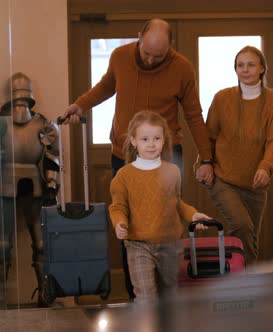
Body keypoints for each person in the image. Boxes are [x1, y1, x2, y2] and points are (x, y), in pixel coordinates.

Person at [61, 18, 214, 299]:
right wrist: (79, 105)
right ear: (139, 36)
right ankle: (138, 297)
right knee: (128, 224)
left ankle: (168, 294)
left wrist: (207, 158)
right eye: (147, 52)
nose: (152, 60)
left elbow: (193, 114)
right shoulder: (120, 56)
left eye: (160, 55)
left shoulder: (182, 68)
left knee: (166, 222)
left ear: (171, 47)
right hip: (125, 155)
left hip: (166, 157)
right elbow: (106, 86)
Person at [0, 72, 60, 308]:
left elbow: (52, 157)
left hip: (35, 186)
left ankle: (44, 291)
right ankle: (1, 294)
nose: (20, 106)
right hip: (5, 184)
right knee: (1, 246)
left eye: (24, 101)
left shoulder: (44, 125)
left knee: (41, 245)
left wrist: (51, 184)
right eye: (17, 100)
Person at [196, 46, 273, 265]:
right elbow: (208, 137)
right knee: (242, 226)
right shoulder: (222, 98)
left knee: (249, 236)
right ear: (235, 69)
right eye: (240, 65)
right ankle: (243, 284)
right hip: (223, 178)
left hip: (256, 183)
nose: (245, 70)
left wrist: (266, 167)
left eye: (251, 64)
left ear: (262, 68)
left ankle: (243, 280)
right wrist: (204, 163)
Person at [109, 111, 210, 303]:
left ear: (164, 141)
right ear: (133, 140)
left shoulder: (172, 171)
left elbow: (176, 202)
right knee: (146, 298)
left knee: (170, 298)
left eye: (157, 138)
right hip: (138, 245)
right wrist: (119, 223)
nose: (151, 144)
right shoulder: (124, 175)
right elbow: (117, 207)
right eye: (145, 139)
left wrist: (193, 215)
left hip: (170, 244)